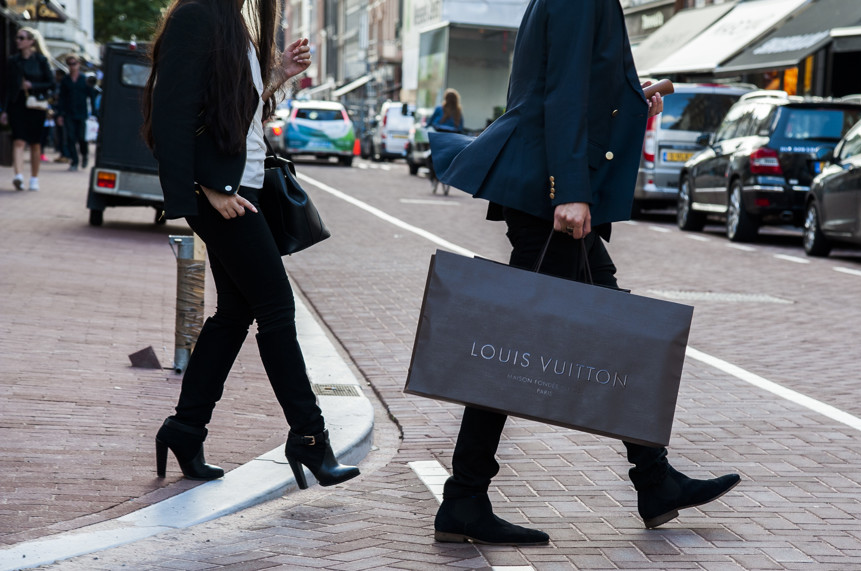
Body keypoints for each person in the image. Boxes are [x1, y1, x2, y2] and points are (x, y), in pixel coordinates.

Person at [428, 0, 740, 546]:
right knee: (521, 338)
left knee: (605, 323)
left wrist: (628, 97)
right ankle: (466, 497)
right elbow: (563, 93)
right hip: (549, 194)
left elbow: (573, 82)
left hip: (543, 185)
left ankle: (651, 477)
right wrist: (570, 190)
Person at [141, 0, 359, 490]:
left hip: (245, 187)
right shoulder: (196, 14)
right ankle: (309, 437)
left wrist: (277, 74)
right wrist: (205, 189)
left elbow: (233, 111)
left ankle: (185, 428)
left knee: (236, 312)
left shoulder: (234, 22)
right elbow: (169, 112)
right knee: (278, 307)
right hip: (222, 194)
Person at [1, 27, 55, 191]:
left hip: (36, 106)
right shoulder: (13, 61)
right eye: (17, 37)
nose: (18, 40)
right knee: (18, 140)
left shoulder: (41, 60)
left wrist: (33, 85)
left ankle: (34, 178)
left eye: (21, 37)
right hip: (17, 104)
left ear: (31, 41)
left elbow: (51, 84)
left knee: (35, 144)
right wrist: (3, 110)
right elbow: (6, 87)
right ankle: (18, 176)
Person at [56, 54, 97, 172]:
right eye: (69, 64)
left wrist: (94, 113)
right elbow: (62, 98)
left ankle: (84, 155)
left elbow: (92, 96)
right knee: (70, 138)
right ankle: (74, 161)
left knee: (82, 138)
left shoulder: (85, 79)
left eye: (74, 63)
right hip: (68, 113)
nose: (72, 66)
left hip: (82, 114)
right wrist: (59, 114)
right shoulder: (65, 80)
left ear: (78, 64)